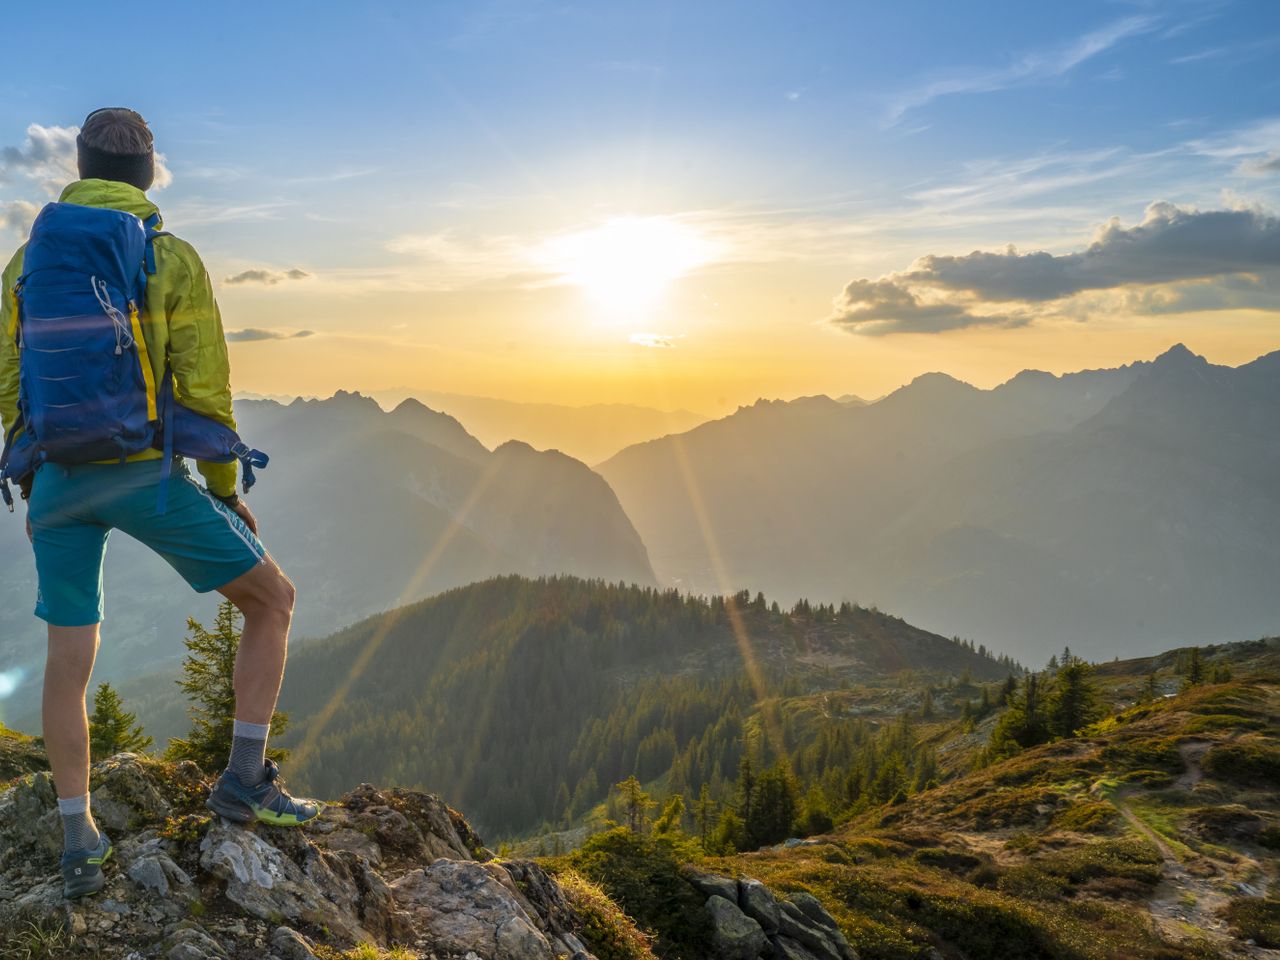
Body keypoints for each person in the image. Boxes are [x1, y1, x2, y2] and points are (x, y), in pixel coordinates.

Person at [0, 107, 319, 900]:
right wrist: (222, 490)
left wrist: (33, 471)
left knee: (67, 666)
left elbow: (11, 380)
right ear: (147, 173)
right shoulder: (166, 255)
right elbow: (203, 380)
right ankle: (244, 779)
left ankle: (79, 842)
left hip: (57, 485)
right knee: (272, 601)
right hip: (144, 475)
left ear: (78, 165)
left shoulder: (25, 263)